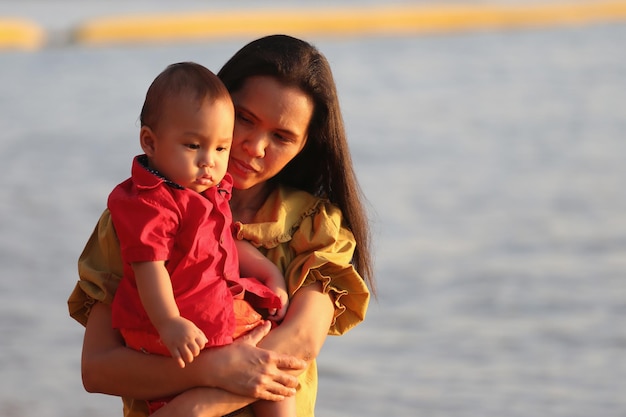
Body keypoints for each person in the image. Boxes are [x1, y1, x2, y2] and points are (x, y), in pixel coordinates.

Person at [68, 34, 374, 417]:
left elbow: (299, 341)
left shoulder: (313, 228)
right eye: (246, 119)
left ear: (304, 147)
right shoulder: (137, 217)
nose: (255, 147)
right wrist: (211, 367)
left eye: (281, 137)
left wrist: (197, 407)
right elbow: (97, 369)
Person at [105, 61, 293, 416]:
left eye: (221, 148)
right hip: (175, 325)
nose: (210, 162)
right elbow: (149, 267)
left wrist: (270, 273)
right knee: (270, 366)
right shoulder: (151, 202)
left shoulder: (203, 190)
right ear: (150, 141)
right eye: (194, 146)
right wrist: (169, 321)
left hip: (207, 315)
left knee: (271, 371)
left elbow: (223, 241)